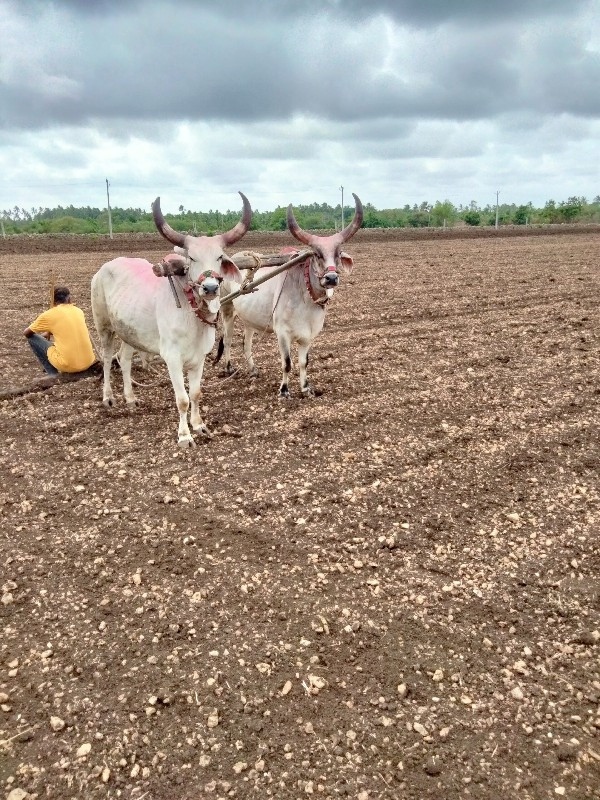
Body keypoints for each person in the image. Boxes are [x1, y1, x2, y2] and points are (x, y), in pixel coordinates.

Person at [24, 286, 96, 376]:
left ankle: (53, 374)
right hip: (88, 361)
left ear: (53, 301)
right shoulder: (79, 311)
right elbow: (67, 327)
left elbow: (27, 333)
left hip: (68, 365)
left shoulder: (49, 314)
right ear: (69, 298)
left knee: (32, 339)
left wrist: (42, 337)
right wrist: (49, 332)